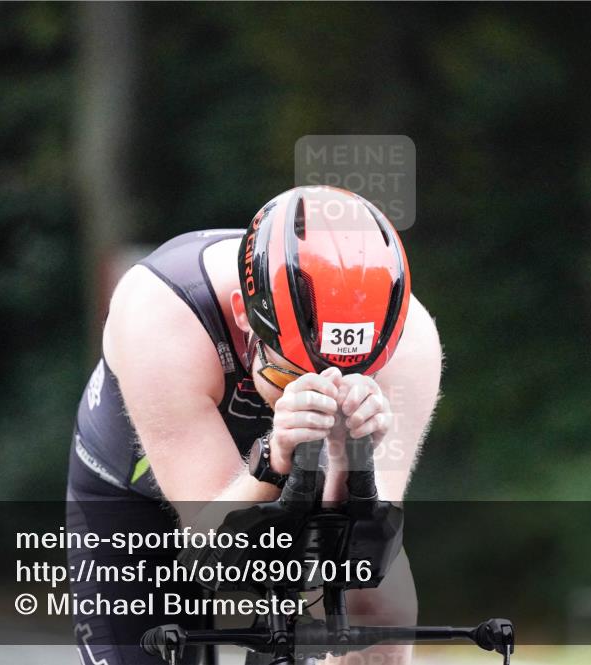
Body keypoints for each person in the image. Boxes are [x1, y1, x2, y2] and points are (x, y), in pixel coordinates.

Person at [66, 186, 443, 665]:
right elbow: (207, 545)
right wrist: (271, 460)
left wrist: (352, 460)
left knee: (382, 620)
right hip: (136, 497)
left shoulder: (411, 347)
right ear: (244, 318)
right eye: (293, 373)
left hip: (266, 492)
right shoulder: (163, 311)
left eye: (351, 376)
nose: (319, 391)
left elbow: (364, 554)